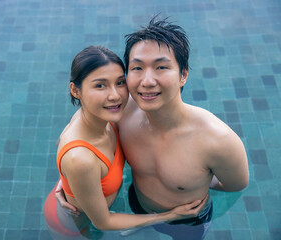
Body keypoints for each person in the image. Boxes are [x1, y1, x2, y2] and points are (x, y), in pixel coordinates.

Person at [56, 17, 249, 239]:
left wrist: (197, 179)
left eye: (161, 67)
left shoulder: (218, 141)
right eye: (137, 67)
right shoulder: (121, 110)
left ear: (183, 74)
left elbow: (236, 184)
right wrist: (71, 178)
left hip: (187, 220)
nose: (147, 81)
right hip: (136, 202)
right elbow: (85, 132)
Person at [43, 45, 208, 239]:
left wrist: (69, 179)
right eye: (100, 85)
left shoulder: (102, 115)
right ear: (75, 90)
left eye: (120, 82)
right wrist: (168, 216)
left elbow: (61, 142)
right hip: (73, 225)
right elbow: (102, 221)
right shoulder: (81, 160)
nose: (115, 96)